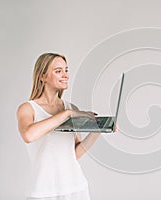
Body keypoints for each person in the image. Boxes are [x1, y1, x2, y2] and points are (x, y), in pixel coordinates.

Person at [17, 53, 116, 200]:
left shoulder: (70, 107)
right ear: (42, 76)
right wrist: (67, 114)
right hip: (42, 191)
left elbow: (75, 153)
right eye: (58, 71)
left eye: (66, 70)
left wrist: (99, 129)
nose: (65, 75)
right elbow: (29, 135)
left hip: (75, 188)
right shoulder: (28, 108)